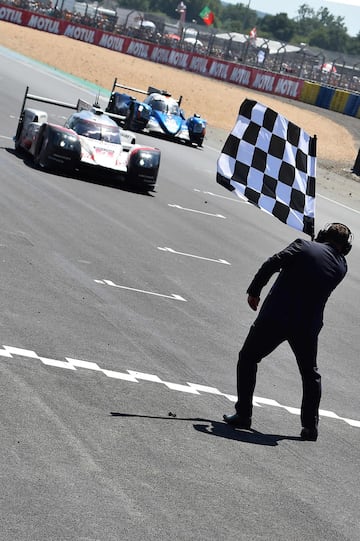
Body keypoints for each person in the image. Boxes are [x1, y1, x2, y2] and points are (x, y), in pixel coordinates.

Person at [223, 223, 352, 441]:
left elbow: (273, 262)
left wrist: (255, 290)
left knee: (248, 358)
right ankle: (310, 427)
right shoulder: (342, 267)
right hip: (307, 326)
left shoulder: (303, 246)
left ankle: (243, 414)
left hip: (276, 317)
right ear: (345, 247)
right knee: (310, 375)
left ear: (322, 235)